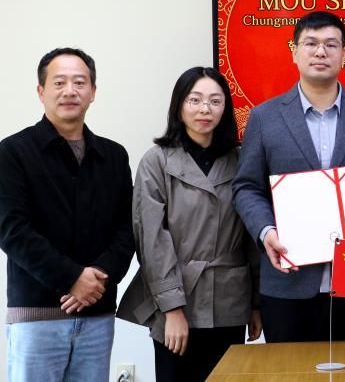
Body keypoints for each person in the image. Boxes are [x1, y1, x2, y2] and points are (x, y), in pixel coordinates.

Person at [232, 11, 345, 342]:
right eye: (311, 43)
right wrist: (266, 231)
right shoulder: (264, 117)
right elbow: (247, 187)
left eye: (331, 44)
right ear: (294, 51)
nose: (321, 52)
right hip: (288, 279)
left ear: (344, 53)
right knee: (290, 369)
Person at [117, 67, 261, 381]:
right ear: (179, 106)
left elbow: (252, 238)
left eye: (215, 101)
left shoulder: (240, 161)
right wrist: (172, 309)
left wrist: (255, 304)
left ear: (225, 109)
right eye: (194, 100)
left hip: (229, 301)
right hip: (176, 297)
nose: (205, 109)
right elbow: (152, 240)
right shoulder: (157, 161)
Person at [0, 47, 134, 381]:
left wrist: (99, 276)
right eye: (59, 83)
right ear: (41, 91)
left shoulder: (114, 156)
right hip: (37, 316)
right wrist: (72, 278)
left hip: (97, 315)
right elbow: (12, 230)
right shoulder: (13, 152)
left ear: (93, 92)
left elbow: (128, 228)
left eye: (79, 82)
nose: (70, 91)